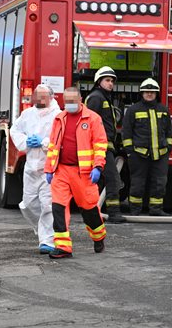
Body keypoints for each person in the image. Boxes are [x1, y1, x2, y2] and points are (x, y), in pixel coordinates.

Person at [44, 87, 108, 258]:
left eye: (73, 100)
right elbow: (53, 145)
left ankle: (98, 236)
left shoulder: (93, 119)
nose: (70, 104)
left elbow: (100, 145)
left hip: (84, 173)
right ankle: (63, 247)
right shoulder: (59, 118)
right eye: (67, 101)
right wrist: (49, 169)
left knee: (89, 210)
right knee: (58, 207)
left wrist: (98, 167)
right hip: (62, 170)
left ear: (81, 99)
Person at [10, 84, 61, 254]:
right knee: (28, 204)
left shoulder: (58, 115)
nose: (40, 100)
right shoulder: (27, 114)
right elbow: (14, 130)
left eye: (43, 96)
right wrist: (25, 141)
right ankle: (41, 228)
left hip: (50, 168)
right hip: (31, 167)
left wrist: (45, 142)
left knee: (48, 205)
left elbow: (61, 139)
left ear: (51, 97)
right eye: (37, 96)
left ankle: (47, 240)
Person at [122, 78, 172, 216]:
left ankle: (156, 210)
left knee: (159, 183)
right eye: (146, 92)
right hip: (139, 154)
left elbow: (168, 131)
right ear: (142, 93)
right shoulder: (133, 110)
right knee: (137, 183)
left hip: (160, 154)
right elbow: (126, 132)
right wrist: (130, 152)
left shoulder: (163, 110)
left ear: (157, 93)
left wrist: (168, 146)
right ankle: (135, 210)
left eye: (152, 92)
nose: (149, 94)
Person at [85, 66, 126, 223]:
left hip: (105, 145)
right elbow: (89, 124)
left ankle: (96, 210)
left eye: (112, 81)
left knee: (104, 180)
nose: (110, 84)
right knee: (113, 178)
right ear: (98, 81)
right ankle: (114, 212)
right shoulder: (96, 98)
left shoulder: (104, 97)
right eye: (107, 80)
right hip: (99, 146)